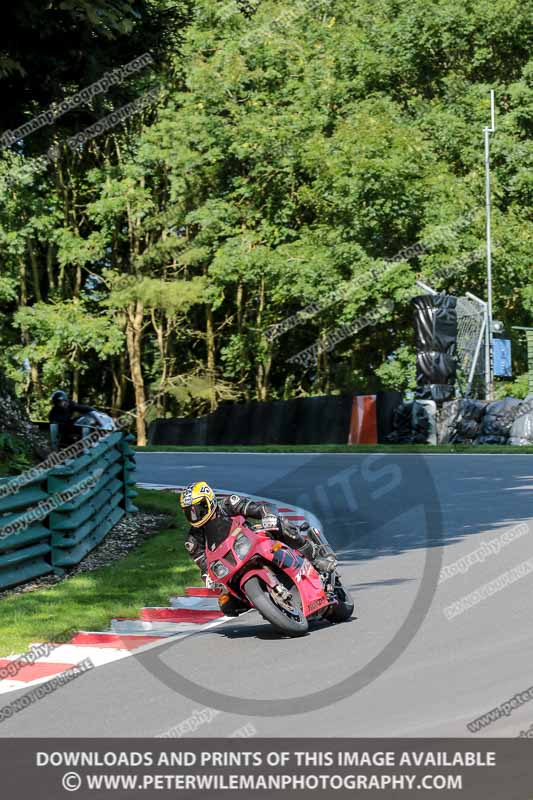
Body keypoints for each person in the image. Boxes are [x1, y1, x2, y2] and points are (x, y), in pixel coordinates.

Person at [179, 481, 337, 616]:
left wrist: (266, 515)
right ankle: (269, 606)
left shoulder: (228, 504)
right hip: (231, 564)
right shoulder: (193, 539)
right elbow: (202, 563)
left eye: (199, 508)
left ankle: (316, 559)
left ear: (210, 500)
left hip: (252, 540)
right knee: (227, 605)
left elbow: (257, 508)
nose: (196, 515)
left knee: (279, 526)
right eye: (190, 512)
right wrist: (208, 576)